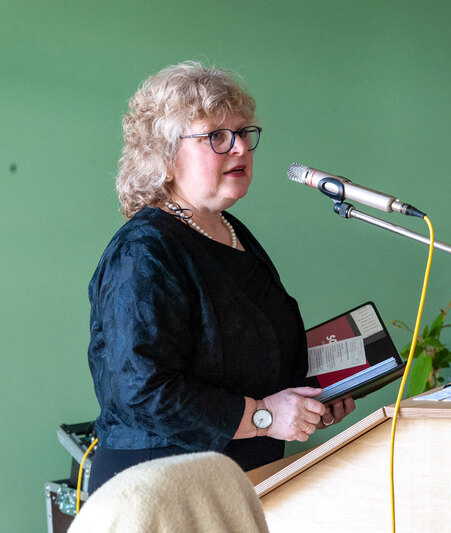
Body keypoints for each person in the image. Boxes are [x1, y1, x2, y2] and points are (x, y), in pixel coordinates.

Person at [86, 61, 355, 493]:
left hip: (238, 481)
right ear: (165, 156)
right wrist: (264, 415)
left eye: (244, 133)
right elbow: (141, 390)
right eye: (216, 136)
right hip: (159, 487)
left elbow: (244, 358)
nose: (240, 148)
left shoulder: (231, 231)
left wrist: (309, 398)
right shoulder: (143, 250)